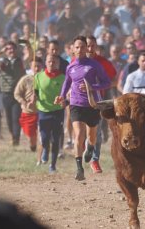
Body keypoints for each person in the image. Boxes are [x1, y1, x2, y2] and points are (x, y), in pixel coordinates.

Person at [55, 36, 110, 180]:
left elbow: (106, 82)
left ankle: (90, 148)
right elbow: (67, 83)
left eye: (82, 47)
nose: (79, 50)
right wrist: (61, 96)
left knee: (91, 136)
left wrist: (92, 87)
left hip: (92, 104)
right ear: (72, 49)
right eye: (77, 47)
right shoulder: (70, 66)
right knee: (78, 134)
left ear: (87, 49)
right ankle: (79, 169)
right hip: (75, 104)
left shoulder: (94, 65)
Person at [85, 35, 116, 173]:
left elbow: (114, 80)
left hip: (97, 102)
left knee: (96, 132)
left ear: (96, 46)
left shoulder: (103, 62)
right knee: (81, 133)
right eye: (87, 45)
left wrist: (96, 87)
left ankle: (95, 159)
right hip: (78, 102)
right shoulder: (76, 61)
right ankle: (81, 157)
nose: (90, 49)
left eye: (93, 45)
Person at [0, 41, 25, 146]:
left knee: (16, 117)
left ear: (16, 50)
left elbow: (29, 57)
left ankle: (16, 138)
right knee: (8, 118)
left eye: (12, 48)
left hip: (17, 93)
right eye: (8, 49)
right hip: (6, 93)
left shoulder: (20, 61)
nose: (11, 50)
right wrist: (1, 52)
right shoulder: (3, 62)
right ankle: (13, 135)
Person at [34, 55, 65, 173]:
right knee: (44, 137)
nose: (51, 63)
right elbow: (35, 91)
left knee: (56, 138)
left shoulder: (63, 78)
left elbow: (66, 93)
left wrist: (64, 101)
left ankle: (53, 165)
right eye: (49, 61)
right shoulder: (38, 76)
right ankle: (45, 149)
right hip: (43, 110)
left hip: (58, 111)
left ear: (57, 63)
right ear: (45, 63)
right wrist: (33, 98)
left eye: (54, 61)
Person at [14, 58, 43, 152]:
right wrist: (24, 102)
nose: (37, 68)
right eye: (35, 66)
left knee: (42, 134)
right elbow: (17, 93)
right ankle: (33, 146)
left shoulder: (45, 78)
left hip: (42, 111)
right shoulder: (25, 79)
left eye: (39, 66)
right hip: (28, 112)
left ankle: (42, 151)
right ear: (31, 67)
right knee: (31, 135)